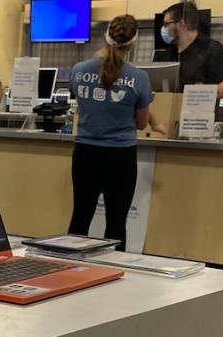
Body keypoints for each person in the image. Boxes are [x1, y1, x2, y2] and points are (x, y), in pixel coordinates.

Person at [67, 14, 166, 251]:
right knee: (116, 221)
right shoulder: (139, 78)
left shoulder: (79, 70)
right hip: (119, 156)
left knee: (80, 216)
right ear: (132, 44)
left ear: (105, 37)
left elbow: (79, 101)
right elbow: (141, 124)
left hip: (85, 153)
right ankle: (114, 272)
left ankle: (67, 266)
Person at [157, 2, 223, 99]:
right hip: (168, 109)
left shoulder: (212, 49)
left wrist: (204, 97)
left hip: (199, 110)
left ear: (180, 24)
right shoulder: (164, 53)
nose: (164, 28)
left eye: (166, 24)